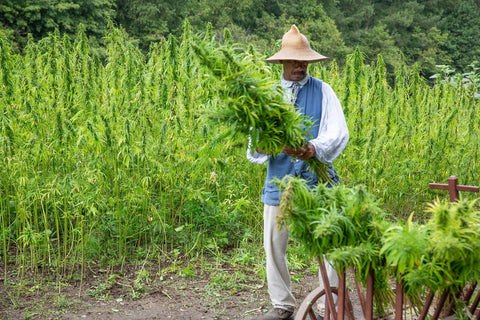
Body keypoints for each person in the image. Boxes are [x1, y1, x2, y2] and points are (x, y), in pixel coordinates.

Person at [247, 25, 349, 320]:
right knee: (274, 243)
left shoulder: (323, 91)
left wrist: (313, 149)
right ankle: (282, 305)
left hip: (317, 179)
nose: (300, 66)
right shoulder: (267, 97)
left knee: (330, 241)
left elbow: (338, 132)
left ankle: (330, 302)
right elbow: (255, 145)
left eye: (304, 61)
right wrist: (274, 145)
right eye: (294, 61)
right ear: (281, 63)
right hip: (280, 180)